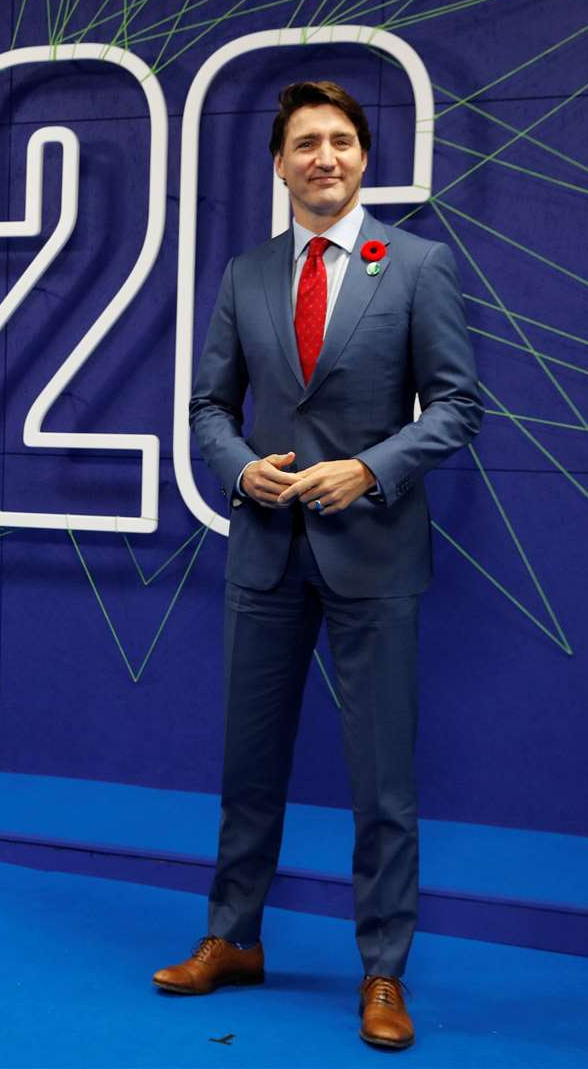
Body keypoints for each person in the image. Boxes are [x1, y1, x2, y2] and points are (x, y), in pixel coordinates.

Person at [153, 80, 483, 1051]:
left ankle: (382, 971)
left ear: (363, 159)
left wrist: (370, 470)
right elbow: (207, 407)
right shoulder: (245, 274)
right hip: (262, 556)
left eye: (339, 141)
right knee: (247, 767)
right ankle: (232, 937)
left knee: (381, 781)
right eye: (304, 143)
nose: (323, 157)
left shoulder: (417, 265)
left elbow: (459, 406)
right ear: (279, 163)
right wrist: (236, 467)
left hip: (374, 557)